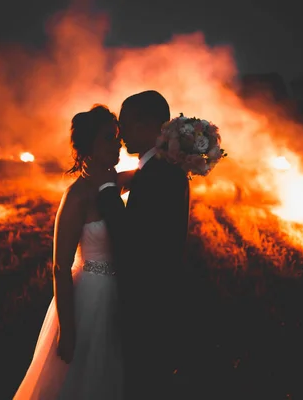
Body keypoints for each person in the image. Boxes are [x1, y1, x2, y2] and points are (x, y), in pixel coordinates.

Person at [14, 104, 125, 400]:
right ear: (88, 146)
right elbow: (60, 267)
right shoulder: (77, 195)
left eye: (118, 138)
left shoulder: (111, 183)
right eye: (108, 138)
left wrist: (179, 153)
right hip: (89, 298)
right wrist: (68, 329)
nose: (117, 144)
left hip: (118, 294)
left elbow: (143, 175)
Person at [93, 90, 191, 399]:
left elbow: (130, 239)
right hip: (159, 297)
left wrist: (106, 189)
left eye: (125, 125)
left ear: (148, 125)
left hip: (148, 302)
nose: (120, 135)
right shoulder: (159, 169)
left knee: (142, 382)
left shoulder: (159, 174)